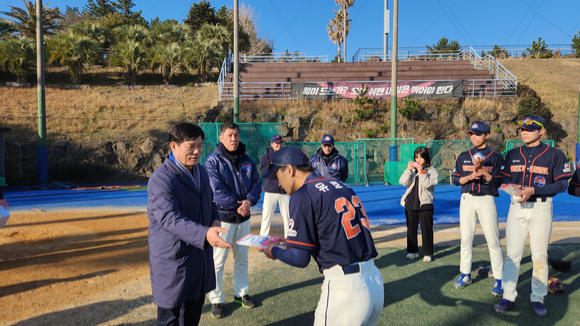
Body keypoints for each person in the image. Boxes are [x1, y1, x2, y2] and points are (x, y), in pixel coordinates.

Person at [262, 146, 384, 326]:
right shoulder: (340, 185)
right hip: (374, 281)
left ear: (289, 169)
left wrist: (273, 251)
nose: (278, 183)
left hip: (346, 289)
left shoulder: (302, 194)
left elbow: (300, 259)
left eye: (277, 176)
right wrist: (290, 244)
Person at [147, 122, 233, 326]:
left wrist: (214, 221)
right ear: (173, 146)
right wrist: (205, 234)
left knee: (193, 316)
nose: (196, 151)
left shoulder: (201, 172)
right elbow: (169, 218)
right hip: (173, 259)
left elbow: (210, 203)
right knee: (170, 319)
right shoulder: (161, 179)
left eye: (200, 145)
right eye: (190, 146)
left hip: (198, 258)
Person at [494, 116, 572, 317]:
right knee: (512, 255)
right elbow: (502, 179)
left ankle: (538, 298)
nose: (524, 132)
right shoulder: (512, 154)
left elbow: (562, 184)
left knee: (539, 256)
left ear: (542, 131)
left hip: (541, 208)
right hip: (517, 206)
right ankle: (508, 296)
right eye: (522, 128)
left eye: (530, 128)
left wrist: (534, 190)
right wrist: (511, 187)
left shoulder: (554, 154)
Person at [204, 122, 262, 319]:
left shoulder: (247, 160)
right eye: (229, 135)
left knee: (242, 258)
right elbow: (215, 190)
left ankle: (241, 293)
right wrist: (239, 203)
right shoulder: (212, 161)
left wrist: (249, 201)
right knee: (218, 261)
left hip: (243, 217)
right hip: (222, 219)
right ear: (220, 138)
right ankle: (216, 299)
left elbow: (256, 183)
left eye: (236, 135)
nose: (233, 139)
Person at [451, 121, 505, 295]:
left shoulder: (496, 157)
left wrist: (482, 172)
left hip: (487, 199)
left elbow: (497, 182)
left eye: (478, 134)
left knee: (493, 240)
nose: (474, 137)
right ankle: (465, 274)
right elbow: (455, 179)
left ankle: (499, 277)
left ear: (487, 136)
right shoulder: (463, 156)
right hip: (467, 199)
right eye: (471, 134)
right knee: (466, 239)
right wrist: (470, 176)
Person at [399, 147, 438, 263]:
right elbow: (403, 182)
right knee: (411, 229)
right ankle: (412, 251)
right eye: (416, 157)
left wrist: (421, 172)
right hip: (410, 203)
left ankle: (427, 253)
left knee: (426, 229)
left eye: (420, 157)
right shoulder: (413, 170)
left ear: (426, 157)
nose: (418, 160)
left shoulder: (432, 171)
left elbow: (427, 185)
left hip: (425, 203)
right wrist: (408, 170)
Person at [259, 135, 291, 238]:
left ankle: (289, 239)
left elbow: (291, 172)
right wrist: (281, 174)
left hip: (284, 191)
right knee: (266, 217)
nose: (279, 145)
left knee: (288, 217)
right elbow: (265, 172)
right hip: (270, 191)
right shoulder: (266, 157)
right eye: (276, 143)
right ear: (272, 144)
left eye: (280, 143)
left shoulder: (287, 155)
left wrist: (277, 173)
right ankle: (263, 240)